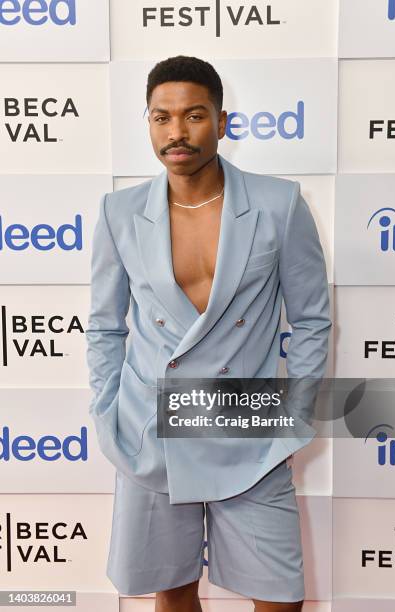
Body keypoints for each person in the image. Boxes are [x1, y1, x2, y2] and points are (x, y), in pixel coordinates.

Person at [85, 55, 331, 612]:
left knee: (279, 597)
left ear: (221, 122)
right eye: (161, 117)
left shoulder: (279, 203)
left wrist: (295, 411)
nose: (177, 131)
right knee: (172, 593)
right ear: (147, 122)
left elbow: (312, 317)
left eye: (194, 115)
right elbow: (104, 324)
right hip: (148, 426)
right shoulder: (118, 212)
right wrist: (107, 414)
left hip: (247, 422)